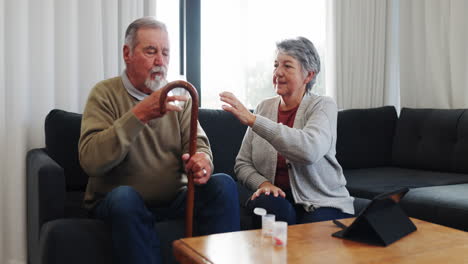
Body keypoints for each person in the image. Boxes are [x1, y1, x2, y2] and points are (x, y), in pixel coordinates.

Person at [78, 17, 240, 264]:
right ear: (127, 54)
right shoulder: (104, 94)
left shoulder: (178, 96)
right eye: (151, 51)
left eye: (165, 53)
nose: (160, 62)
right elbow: (91, 161)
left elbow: (200, 145)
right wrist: (140, 114)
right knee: (124, 198)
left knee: (223, 185)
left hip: (173, 199)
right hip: (118, 202)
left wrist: (203, 162)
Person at [220, 37, 354, 225]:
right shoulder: (263, 108)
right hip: (277, 198)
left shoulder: (323, 106)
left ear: (308, 75)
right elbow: (242, 164)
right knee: (267, 205)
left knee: (312, 235)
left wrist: (254, 121)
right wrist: (263, 184)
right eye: (276, 65)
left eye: (287, 66)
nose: (278, 72)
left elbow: (309, 151)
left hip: (321, 201)